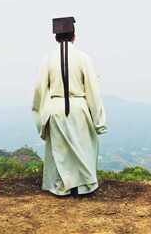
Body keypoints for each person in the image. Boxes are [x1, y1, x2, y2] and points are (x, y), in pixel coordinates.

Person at [32, 21, 107, 196]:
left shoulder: (48, 59)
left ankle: (61, 186)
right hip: (79, 105)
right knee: (84, 146)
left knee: (60, 148)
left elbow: (39, 89)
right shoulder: (83, 58)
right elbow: (92, 89)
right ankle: (84, 186)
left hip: (55, 106)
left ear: (56, 37)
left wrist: (40, 115)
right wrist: (99, 120)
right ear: (74, 36)